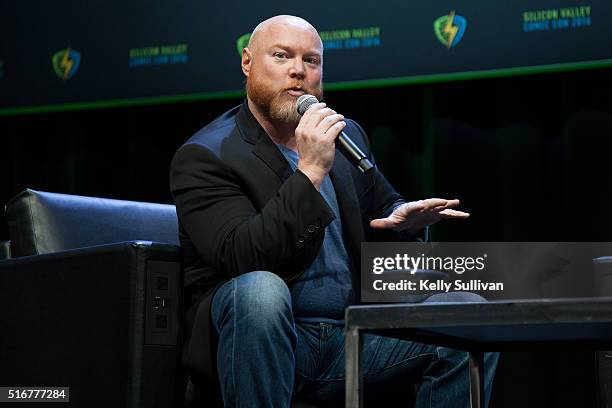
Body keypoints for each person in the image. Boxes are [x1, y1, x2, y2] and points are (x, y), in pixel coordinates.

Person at [170, 14, 498, 407]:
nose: (298, 71)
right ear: (247, 62)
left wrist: (404, 223)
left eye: (311, 61)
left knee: (466, 311)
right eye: (282, 56)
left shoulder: (344, 135)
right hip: (272, 336)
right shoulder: (206, 155)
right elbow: (244, 256)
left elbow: (384, 210)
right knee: (260, 291)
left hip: (351, 335)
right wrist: (309, 171)